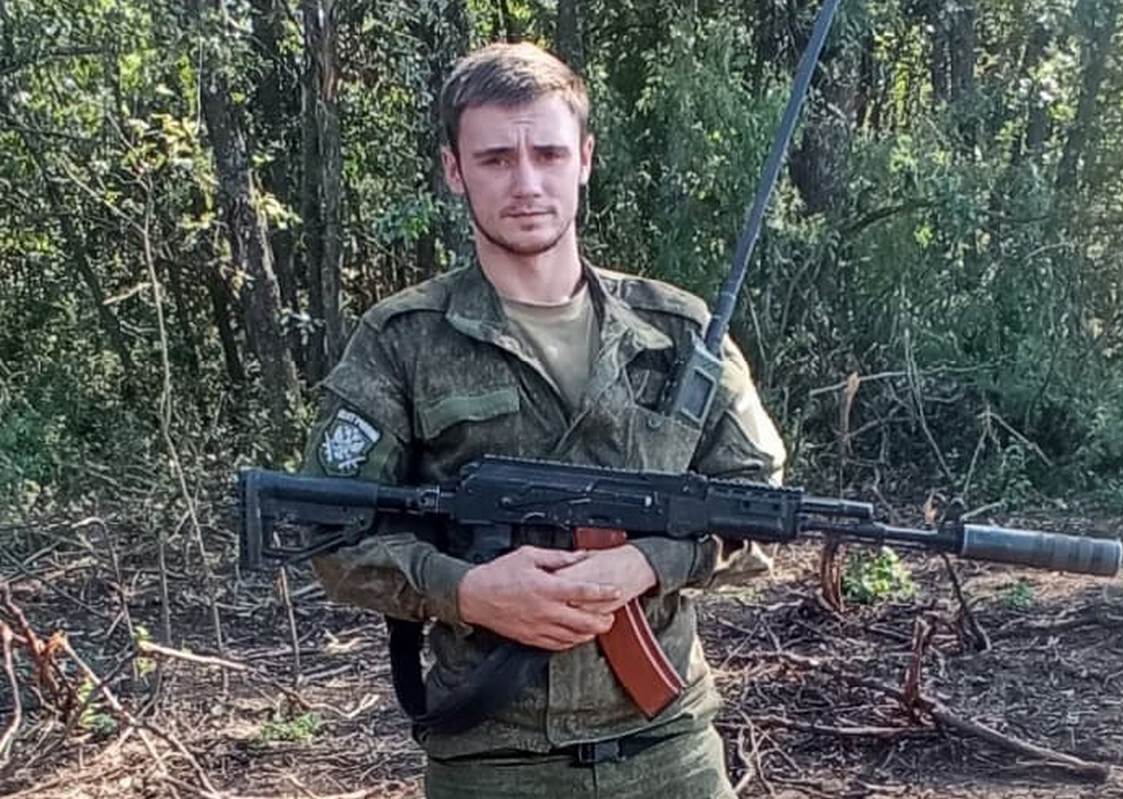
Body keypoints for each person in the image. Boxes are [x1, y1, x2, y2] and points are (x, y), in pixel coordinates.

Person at [302, 41, 786, 799]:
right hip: (494, 758)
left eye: (549, 154)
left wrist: (647, 563)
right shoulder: (403, 340)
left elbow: (757, 510)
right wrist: (465, 590)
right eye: (496, 159)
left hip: (670, 749)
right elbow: (329, 532)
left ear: (584, 159)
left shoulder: (681, 333)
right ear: (454, 170)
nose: (526, 183)